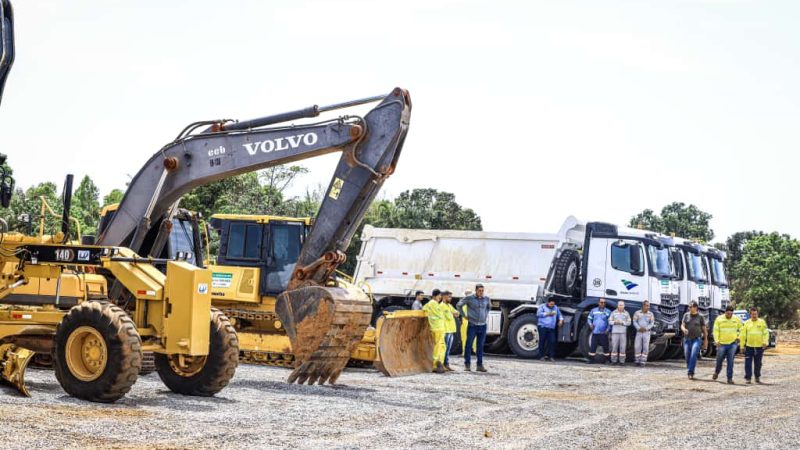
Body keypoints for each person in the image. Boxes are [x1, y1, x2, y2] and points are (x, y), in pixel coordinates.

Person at [457, 283, 491, 372]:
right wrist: (464, 315)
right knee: (468, 345)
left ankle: (479, 365)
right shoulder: (470, 298)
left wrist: (485, 315)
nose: (481, 292)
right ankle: (467, 365)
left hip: (483, 326)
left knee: (480, 346)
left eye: (482, 291)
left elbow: (488, 307)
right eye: (479, 290)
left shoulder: (486, 299)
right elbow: (459, 305)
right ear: (475, 290)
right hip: (472, 325)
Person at [713, 305, 742, 384]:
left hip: (732, 344)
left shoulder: (736, 319)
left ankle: (729, 378)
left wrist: (739, 337)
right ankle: (717, 372)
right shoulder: (719, 319)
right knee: (719, 360)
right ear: (725, 312)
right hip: (721, 344)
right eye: (728, 313)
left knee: (730, 361)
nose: (729, 315)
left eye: (731, 314)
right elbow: (715, 331)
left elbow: (742, 329)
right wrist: (717, 341)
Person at [740, 306, 769, 384]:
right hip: (749, 347)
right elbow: (743, 335)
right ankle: (748, 378)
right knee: (748, 363)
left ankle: (757, 377)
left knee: (758, 363)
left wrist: (765, 342)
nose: (754, 316)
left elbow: (766, 333)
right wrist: (742, 346)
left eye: (755, 314)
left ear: (757, 314)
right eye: (753, 314)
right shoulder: (746, 323)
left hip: (759, 347)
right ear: (750, 315)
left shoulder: (762, 322)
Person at [681, 301, 708, 380]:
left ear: (695, 307)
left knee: (693, 355)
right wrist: (684, 329)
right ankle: (690, 368)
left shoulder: (700, 317)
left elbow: (704, 330)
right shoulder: (686, 315)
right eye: (689, 307)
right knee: (687, 356)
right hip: (687, 339)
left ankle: (690, 373)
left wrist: (705, 341)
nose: (689, 308)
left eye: (691, 307)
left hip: (697, 339)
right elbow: (682, 325)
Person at [422, 289, 446, 374]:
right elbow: (440, 315)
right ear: (434, 296)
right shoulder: (434, 304)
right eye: (439, 296)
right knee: (438, 346)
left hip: (435, 328)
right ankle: (437, 364)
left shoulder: (429, 304)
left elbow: (424, 309)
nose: (440, 297)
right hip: (438, 328)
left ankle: (439, 363)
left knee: (440, 346)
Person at [587, 298, 612, 363]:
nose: (603, 304)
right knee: (593, 346)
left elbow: (610, 322)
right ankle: (591, 360)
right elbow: (589, 318)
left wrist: (608, 330)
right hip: (595, 332)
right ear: (598, 303)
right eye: (601, 302)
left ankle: (607, 360)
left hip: (604, 333)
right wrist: (590, 324)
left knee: (606, 347)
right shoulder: (593, 310)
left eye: (604, 302)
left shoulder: (608, 311)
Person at [632, 300, 655, 367]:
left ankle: (643, 362)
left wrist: (646, 328)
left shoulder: (651, 314)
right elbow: (634, 321)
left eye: (649, 306)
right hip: (639, 332)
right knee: (637, 346)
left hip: (646, 333)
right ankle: (637, 361)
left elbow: (652, 323)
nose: (648, 307)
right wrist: (639, 328)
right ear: (643, 306)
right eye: (647, 306)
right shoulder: (637, 313)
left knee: (645, 347)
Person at [441, 291, 459, 371]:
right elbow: (449, 316)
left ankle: (446, 364)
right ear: (444, 297)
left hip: (451, 330)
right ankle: (443, 364)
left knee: (448, 349)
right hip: (446, 330)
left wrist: (453, 313)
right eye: (449, 297)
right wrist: (452, 314)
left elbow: (457, 314)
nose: (450, 298)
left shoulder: (449, 306)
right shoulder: (442, 306)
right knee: (444, 349)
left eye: (451, 297)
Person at [609, 301, 631, 365]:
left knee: (623, 347)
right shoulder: (613, 312)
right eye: (619, 305)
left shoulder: (626, 313)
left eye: (622, 305)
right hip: (615, 332)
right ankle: (614, 361)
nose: (621, 306)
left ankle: (622, 361)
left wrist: (622, 323)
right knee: (614, 347)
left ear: (624, 306)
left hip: (623, 333)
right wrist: (615, 322)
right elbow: (609, 321)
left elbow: (629, 323)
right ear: (617, 306)